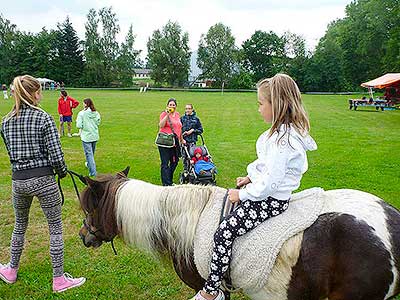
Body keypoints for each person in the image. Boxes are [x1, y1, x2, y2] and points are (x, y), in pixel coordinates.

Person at [192, 74, 317, 300]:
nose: (258, 109)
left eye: (261, 104)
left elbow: (270, 183)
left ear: (276, 105)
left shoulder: (282, 142)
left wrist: (242, 194)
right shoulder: (283, 134)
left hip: (270, 201)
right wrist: (250, 177)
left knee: (224, 233)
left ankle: (211, 292)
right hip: (269, 195)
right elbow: (266, 166)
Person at [0, 75, 86, 292]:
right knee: (55, 226)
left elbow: (12, 154)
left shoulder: (5, 121)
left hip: (18, 180)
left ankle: (11, 269)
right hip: (43, 179)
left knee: (20, 225)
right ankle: (58, 279)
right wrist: (62, 172)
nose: (41, 95)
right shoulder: (44, 118)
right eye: (39, 91)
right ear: (34, 93)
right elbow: (56, 156)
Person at [158, 98, 184, 186]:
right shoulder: (164, 114)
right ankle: (166, 183)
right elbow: (161, 125)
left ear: (176, 106)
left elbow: (179, 128)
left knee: (175, 161)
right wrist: (167, 115)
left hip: (175, 142)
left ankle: (169, 178)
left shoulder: (177, 114)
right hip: (165, 141)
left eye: (173, 105)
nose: (172, 106)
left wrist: (181, 139)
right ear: (167, 106)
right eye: (170, 105)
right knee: (165, 163)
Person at [76, 98, 101, 177]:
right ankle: (88, 164)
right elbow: (98, 122)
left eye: (83, 103)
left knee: (89, 154)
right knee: (91, 153)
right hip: (94, 135)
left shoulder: (82, 113)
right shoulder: (96, 113)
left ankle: (93, 173)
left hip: (86, 137)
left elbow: (79, 125)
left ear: (86, 104)